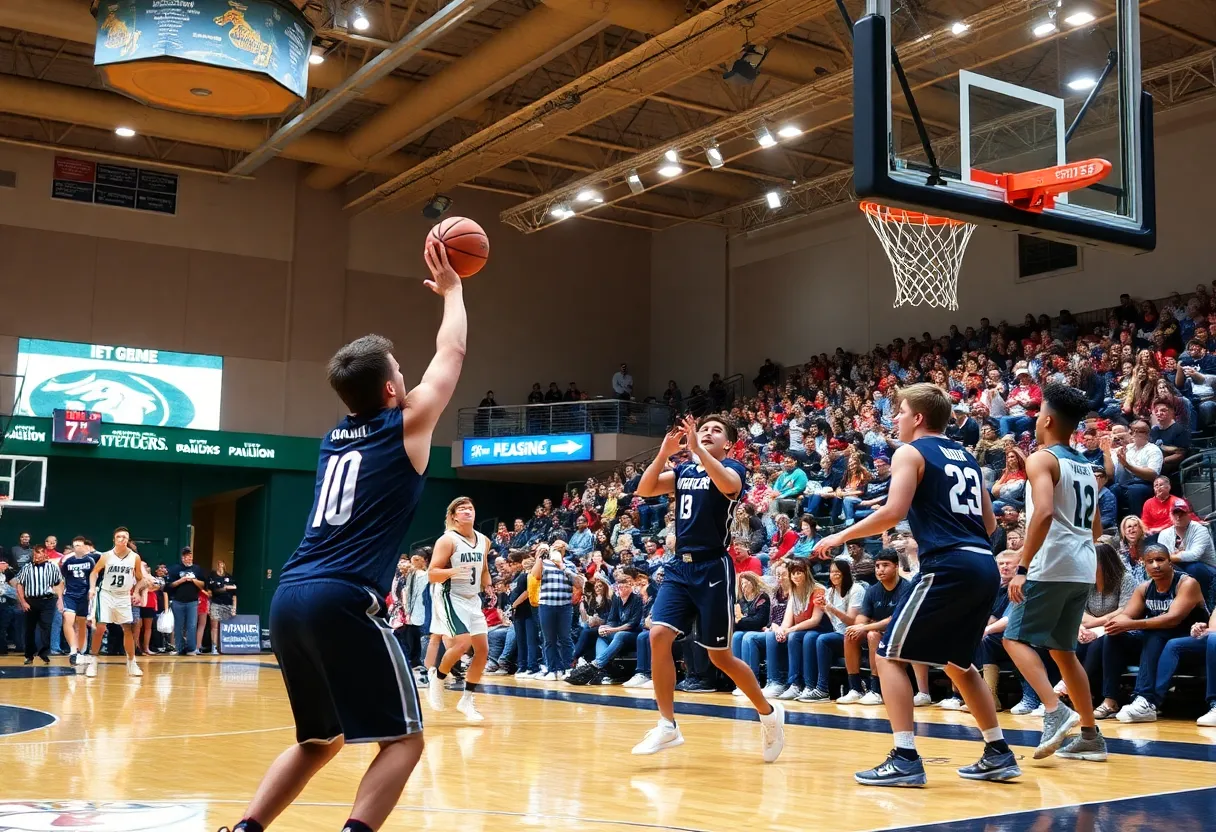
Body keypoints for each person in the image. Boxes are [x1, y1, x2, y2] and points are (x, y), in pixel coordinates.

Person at [220, 238, 466, 832]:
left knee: (319, 739)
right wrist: (454, 292)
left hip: (290, 598)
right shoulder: (403, 428)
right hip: (340, 597)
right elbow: (451, 353)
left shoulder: (335, 438)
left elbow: (411, 373)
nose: (408, 377)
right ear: (388, 391)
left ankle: (244, 830)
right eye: (399, 372)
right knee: (405, 740)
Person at [815, 383, 1017, 786]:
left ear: (919, 417)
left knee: (889, 655)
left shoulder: (911, 451)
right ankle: (998, 751)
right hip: (982, 564)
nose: (896, 419)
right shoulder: (968, 458)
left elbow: (893, 511)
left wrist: (840, 537)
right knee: (960, 664)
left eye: (901, 412)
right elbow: (990, 524)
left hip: (948, 564)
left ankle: (905, 756)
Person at [632, 414, 786, 761]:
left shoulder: (733, 468)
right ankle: (667, 725)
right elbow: (644, 489)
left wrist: (700, 450)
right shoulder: (684, 473)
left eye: (716, 431)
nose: (707, 433)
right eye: (703, 430)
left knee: (721, 656)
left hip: (714, 566)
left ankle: (768, 712)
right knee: (658, 635)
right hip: (679, 566)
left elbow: (729, 485)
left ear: (728, 443)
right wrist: (663, 454)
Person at [1002, 383, 1107, 763]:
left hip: (1052, 562)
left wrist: (1022, 567)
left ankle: (1054, 709)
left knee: (1013, 639)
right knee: (1064, 652)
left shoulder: (1041, 459)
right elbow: (1096, 527)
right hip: (1081, 563)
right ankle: (1091, 736)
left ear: (1046, 419)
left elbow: (1044, 513)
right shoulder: (1087, 466)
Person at [426, 497, 491, 722]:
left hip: (473, 598)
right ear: (453, 516)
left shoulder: (484, 540)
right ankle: (438, 677)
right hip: (450, 596)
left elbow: (483, 569)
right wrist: (453, 572)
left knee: (482, 650)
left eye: (470, 508)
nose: (467, 512)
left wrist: (489, 586)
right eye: (461, 509)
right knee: (463, 643)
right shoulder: (447, 540)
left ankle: (467, 700)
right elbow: (432, 573)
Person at [83, 528, 145, 678]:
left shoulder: (134, 557)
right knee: (100, 626)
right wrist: (92, 588)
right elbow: (94, 573)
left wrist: (136, 591)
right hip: (106, 594)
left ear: (128, 540)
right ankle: (93, 661)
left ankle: (132, 662)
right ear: (114, 539)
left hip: (123, 596)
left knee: (127, 628)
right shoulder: (106, 556)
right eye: (119, 536)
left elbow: (140, 578)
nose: (122, 539)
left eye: (125, 537)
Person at [13, 544, 63, 665]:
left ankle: (44, 653)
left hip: (48, 600)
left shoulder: (52, 567)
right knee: (29, 629)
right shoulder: (27, 568)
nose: (36, 555)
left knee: (47, 627)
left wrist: (60, 599)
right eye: (35, 553)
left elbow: (58, 583)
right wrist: (23, 601)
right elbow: (19, 584)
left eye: (39, 553)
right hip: (31, 601)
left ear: (45, 554)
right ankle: (29, 655)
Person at [59, 536, 98, 667]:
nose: (77, 547)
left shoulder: (90, 560)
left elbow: (93, 575)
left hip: (84, 596)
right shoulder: (68, 561)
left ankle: (81, 651)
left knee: (81, 624)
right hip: (70, 595)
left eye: (80, 545)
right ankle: (72, 650)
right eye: (75, 545)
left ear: (85, 546)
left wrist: (92, 589)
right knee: (68, 619)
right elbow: (62, 578)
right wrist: (60, 597)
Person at [206, 561, 238, 655]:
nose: (220, 566)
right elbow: (211, 592)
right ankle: (214, 647)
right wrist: (227, 588)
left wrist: (234, 608)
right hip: (215, 604)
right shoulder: (212, 577)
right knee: (214, 627)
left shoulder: (229, 577)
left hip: (228, 604)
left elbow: (235, 594)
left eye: (222, 564)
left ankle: (225, 646)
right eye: (218, 564)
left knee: (225, 627)